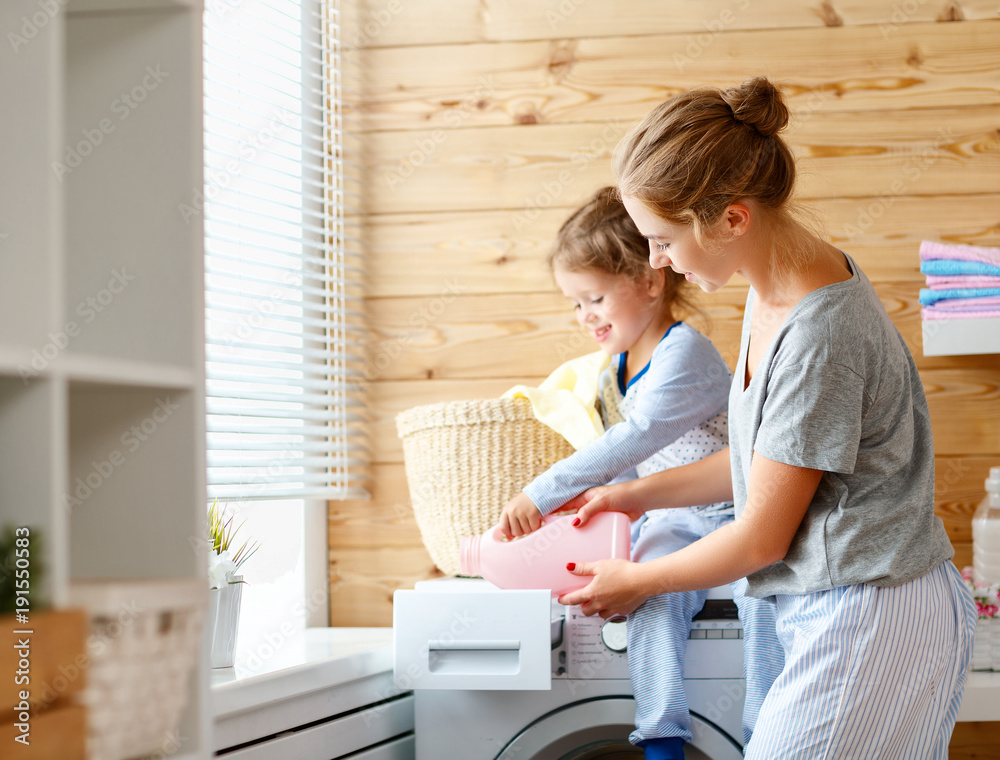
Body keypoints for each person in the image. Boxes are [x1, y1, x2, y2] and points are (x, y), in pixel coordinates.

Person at [558, 76, 977, 760]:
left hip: (873, 607)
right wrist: (631, 494)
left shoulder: (818, 332)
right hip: (839, 605)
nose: (658, 262)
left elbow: (759, 540)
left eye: (663, 241)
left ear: (731, 219)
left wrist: (638, 581)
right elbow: (768, 462)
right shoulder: (771, 288)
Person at [499, 186, 781, 760]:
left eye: (595, 298)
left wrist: (543, 489)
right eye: (576, 304)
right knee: (646, 588)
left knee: (762, 593)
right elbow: (620, 464)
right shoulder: (615, 369)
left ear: (650, 283)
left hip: (734, 515)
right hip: (675, 519)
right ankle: (661, 737)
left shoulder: (686, 354)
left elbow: (638, 435)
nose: (585, 317)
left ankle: (764, 731)